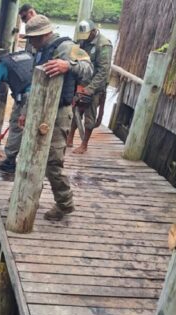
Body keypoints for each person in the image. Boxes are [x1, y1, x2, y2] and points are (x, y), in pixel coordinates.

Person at [21, 15, 93, 220]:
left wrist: (68, 66)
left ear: (43, 35)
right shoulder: (39, 51)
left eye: (32, 38)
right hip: (38, 110)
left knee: (53, 161)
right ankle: (26, 195)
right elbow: (32, 85)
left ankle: (65, 204)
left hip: (59, 112)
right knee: (29, 155)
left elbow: (88, 69)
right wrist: (26, 111)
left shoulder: (66, 47)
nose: (30, 42)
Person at [67, 19, 113, 154]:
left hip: (95, 88)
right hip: (81, 83)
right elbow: (75, 59)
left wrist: (90, 89)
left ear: (93, 32)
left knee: (90, 117)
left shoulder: (104, 45)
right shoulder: (82, 42)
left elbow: (103, 71)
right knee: (75, 112)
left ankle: (84, 144)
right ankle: (69, 138)